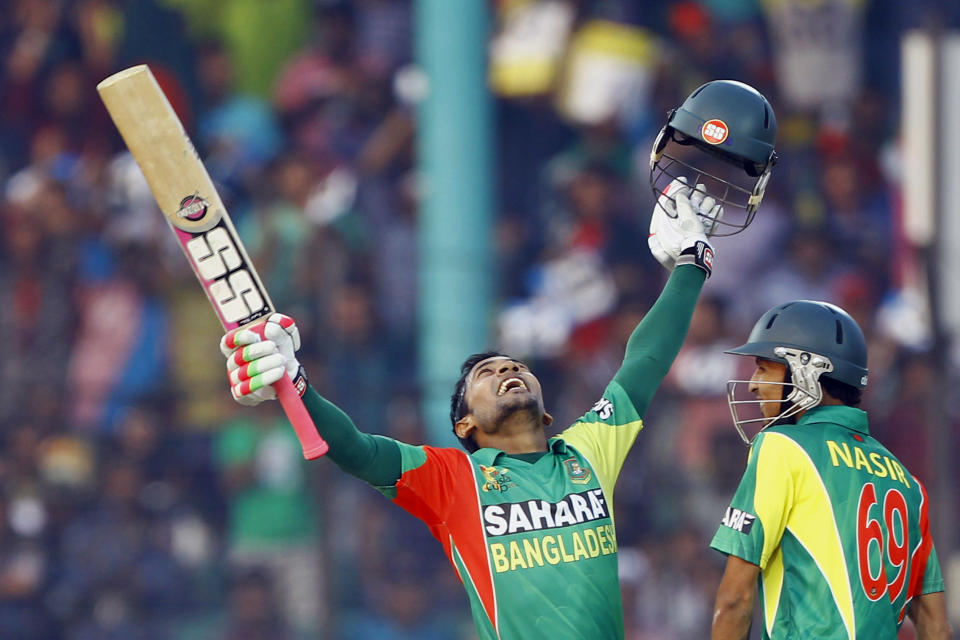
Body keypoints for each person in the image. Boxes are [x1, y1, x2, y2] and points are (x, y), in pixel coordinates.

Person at [220, 80, 776, 640]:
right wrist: (299, 384)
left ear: (549, 412)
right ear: (465, 425)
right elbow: (357, 450)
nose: (506, 371)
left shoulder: (587, 451)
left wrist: (692, 264)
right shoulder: (453, 479)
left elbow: (646, 360)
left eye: (513, 366)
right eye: (486, 375)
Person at [710, 300, 951, 639]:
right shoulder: (908, 482)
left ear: (807, 373)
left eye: (764, 368)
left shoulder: (782, 447)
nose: (752, 384)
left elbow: (734, 600)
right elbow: (936, 627)